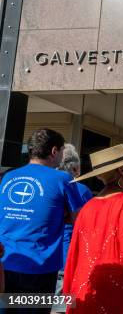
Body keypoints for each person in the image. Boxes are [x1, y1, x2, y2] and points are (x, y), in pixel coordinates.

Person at [63, 144, 123, 314]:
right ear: (122, 170)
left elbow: (74, 253)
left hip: (84, 287)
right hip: (114, 292)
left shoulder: (87, 207)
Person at [0, 128, 82, 312]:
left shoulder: (8, 177)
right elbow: (80, 220)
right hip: (39, 268)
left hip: (6, 262)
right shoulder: (64, 178)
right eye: (62, 151)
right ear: (54, 151)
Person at [53, 144, 93, 314]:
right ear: (75, 168)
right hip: (68, 259)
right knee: (62, 309)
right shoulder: (82, 190)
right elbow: (89, 225)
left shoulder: (50, 185)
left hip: (44, 258)